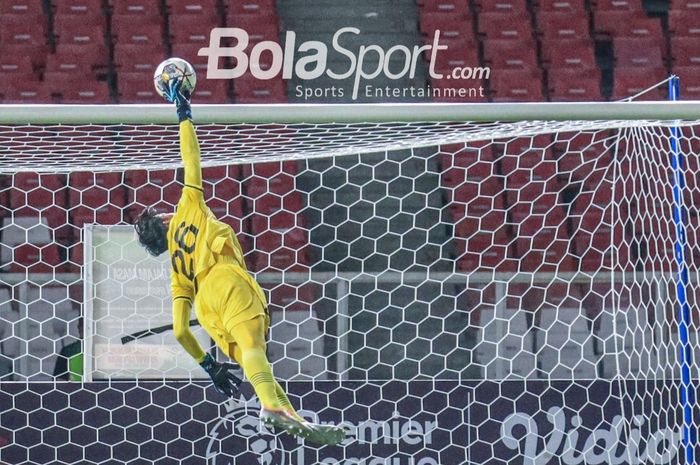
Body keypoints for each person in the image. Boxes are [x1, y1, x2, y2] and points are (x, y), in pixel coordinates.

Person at [133, 77, 344, 446]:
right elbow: (191, 160)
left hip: (205, 303)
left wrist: (209, 366)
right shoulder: (187, 210)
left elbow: (182, 331)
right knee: (254, 349)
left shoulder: (177, 270)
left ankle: (291, 415)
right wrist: (183, 114)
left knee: (253, 358)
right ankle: (271, 407)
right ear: (164, 221)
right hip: (224, 280)